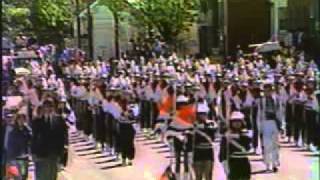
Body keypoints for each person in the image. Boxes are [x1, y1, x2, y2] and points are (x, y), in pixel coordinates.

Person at [31, 99, 67, 180]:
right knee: (41, 176)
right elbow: (33, 138)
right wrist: (33, 153)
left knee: (52, 176)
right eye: (45, 107)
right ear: (43, 108)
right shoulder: (37, 121)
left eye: (50, 107)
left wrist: (61, 154)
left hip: (53, 154)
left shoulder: (59, 120)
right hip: (40, 154)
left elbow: (62, 138)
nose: (47, 109)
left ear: (53, 108)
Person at [219, 111, 252, 180]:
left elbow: (248, 147)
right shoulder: (226, 135)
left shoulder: (246, 134)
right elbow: (222, 152)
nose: (237, 123)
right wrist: (225, 164)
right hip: (232, 163)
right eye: (234, 121)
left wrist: (239, 136)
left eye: (239, 121)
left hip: (244, 162)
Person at [258, 79, 282, 172]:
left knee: (275, 144)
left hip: (275, 122)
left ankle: (275, 163)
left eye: (270, 89)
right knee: (267, 144)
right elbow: (259, 115)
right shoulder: (261, 101)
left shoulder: (277, 99)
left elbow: (280, 112)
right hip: (266, 122)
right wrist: (259, 126)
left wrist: (281, 125)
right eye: (266, 90)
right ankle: (268, 164)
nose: (268, 92)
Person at [192, 102, 217, 180]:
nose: (202, 116)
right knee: (198, 176)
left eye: (204, 114)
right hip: (197, 152)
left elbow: (213, 132)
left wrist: (203, 127)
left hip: (208, 152)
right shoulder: (192, 125)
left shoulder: (211, 124)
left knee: (208, 176)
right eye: (200, 114)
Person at [4, 113, 32, 180]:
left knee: (24, 175)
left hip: (25, 157)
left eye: (23, 119)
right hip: (15, 157)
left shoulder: (27, 130)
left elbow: (30, 141)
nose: (21, 121)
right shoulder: (13, 130)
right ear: (17, 120)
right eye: (20, 119)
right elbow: (9, 144)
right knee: (17, 176)